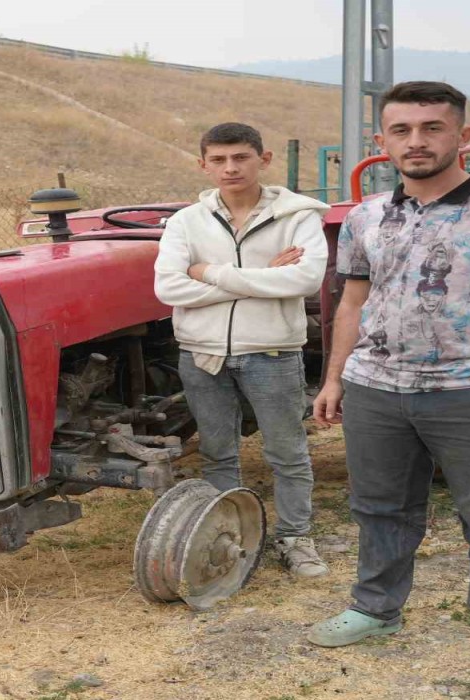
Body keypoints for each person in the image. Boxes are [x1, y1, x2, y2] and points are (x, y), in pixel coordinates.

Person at [308, 82, 470, 672]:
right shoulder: (366, 216)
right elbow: (353, 303)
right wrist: (335, 378)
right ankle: (376, 607)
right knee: (379, 507)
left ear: (463, 136)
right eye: (401, 130)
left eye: (432, 128)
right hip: (376, 387)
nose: (417, 141)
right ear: (382, 141)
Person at [154, 122, 332, 577]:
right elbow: (168, 287)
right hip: (201, 353)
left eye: (240, 157)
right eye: (219, 160)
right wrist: (263, 277)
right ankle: (226, 539)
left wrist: (208, 272)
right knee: (217, 452)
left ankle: (296, 539)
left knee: (287, 452)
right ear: (204, 165)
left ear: (263, 159)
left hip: (271, 352)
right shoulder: (185, 222)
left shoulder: (298, 217)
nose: (230, 168)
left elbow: (305, 279)